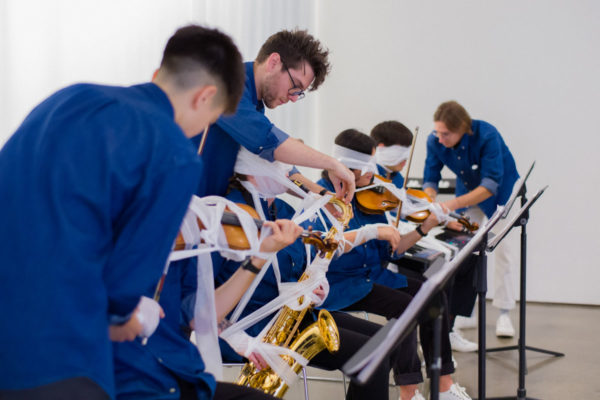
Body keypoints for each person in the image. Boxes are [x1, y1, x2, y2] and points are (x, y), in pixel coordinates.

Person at [0, 24, 245, 399]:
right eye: (210, 121)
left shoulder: (68, 98)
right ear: (205, 96)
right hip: (58, 355)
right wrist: (133, 317)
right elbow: (123, 291)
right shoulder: (174, 154)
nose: (201, 133)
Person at [212, 149, 407, 400]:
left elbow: (306, 259)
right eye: (281, 166)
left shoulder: (280, 207)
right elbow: (204, 292)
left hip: (287, 316)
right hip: (250, 329)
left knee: (384, 344)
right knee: (372, 357)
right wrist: (239, 340)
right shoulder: (231, 213)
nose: (291, 174)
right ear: (251, 171)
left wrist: (317, 283)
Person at [317, 129, 471, 400]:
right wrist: (373, 231)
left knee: (434, 296)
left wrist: (423, 228)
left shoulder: (369, 196)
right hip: (341, 285)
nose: (372, 174)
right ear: (347, 167)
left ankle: (443, 384)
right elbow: (329, 251)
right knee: (408, 308)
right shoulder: (322, 200)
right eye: (367, 167)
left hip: (370, 277)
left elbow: (394, 249)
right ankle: (408, 392)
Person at [194, 28, 355, 203]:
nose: (294, 98)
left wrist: (322, 196)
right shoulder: (226, 85)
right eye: (296, 86)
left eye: (299, 93)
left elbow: (277, 167)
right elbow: (269, 141)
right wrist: (331, 163)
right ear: (273, 62)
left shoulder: (254, 103)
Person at [370, 121, 478, 352]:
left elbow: (410, 208)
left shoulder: (395, 177)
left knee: (468, 258)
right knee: (438, 269)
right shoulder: (368, 176)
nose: (405, 160)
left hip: (406, 236)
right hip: (386, 249)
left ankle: (447, 329)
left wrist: (447, 219)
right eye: (400, 153)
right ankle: (433, 338)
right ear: (380, 148)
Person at [422, 100, 520, 337]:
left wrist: (449, 205)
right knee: (464, 253)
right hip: (467, 194)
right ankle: (467, 311)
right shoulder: (435, 140)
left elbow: (489, 185)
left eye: (445, 134)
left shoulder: (487, 135)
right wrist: (429, 202)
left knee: (503, 251)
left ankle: (504, 314)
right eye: (437, 131)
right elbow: (430, 178)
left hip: (500, 194)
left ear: (463, 129)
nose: (440, 138)